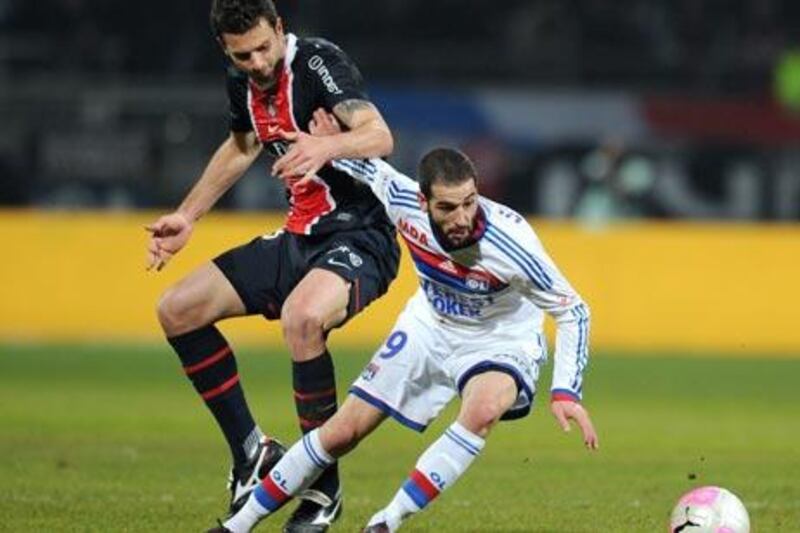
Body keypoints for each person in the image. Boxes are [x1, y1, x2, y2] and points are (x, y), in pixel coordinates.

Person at [212, 134, 599, 533]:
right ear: (423, 202)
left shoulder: (512, 244)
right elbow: (363, 165)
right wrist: (321, 143)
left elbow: (573, 310)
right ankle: (237, 526)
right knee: (342, 431)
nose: (462, 217)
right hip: (428, 326)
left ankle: (386, 522)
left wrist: (566, 391)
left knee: (483, 410)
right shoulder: (400, 198)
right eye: (447, 207)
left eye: (469, 202)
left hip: (500, 337)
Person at [145, 1, 400, 530]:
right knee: (178, 308)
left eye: (264, 47)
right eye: (244, 54)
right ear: (226, 49)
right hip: (298, 238)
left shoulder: (317, 64)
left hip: (361, 235)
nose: (258, 62)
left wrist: (325, 145)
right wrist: (188, 215)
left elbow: (380, 135)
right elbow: (242, 145)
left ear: (280, 28)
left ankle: (322, 491)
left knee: (303, 319)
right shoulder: (241, 78)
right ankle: (252, 453)